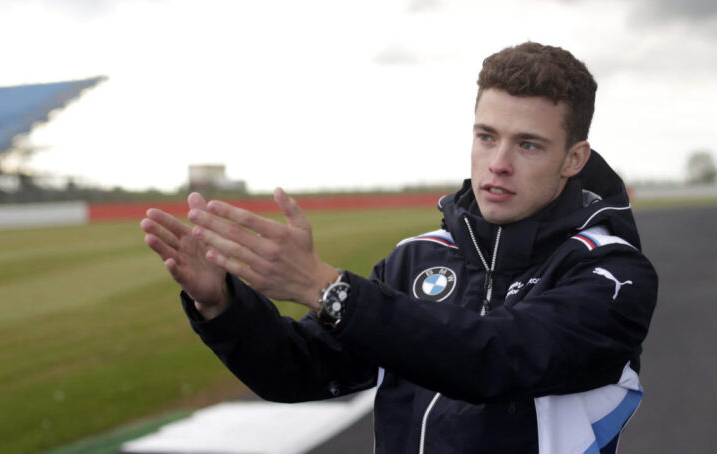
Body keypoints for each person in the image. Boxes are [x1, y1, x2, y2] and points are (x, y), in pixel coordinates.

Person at [141, 42, 657, 453]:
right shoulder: (417, 258)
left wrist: (327, 289)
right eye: (486, 136)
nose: (498, 163)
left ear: (574, 159)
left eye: (527, 145)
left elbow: (494, 359)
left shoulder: (612, 274)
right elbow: (300, 370)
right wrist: (221, 305)